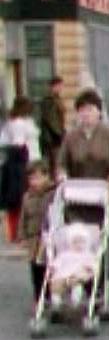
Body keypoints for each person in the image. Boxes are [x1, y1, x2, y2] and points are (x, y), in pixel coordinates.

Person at [58, 89, 109, 299]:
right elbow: (62, 163)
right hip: (80, 198)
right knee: (83, 240)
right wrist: (63, 175)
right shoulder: (71, 137)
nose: (86, 115)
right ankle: (85, 281)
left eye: (90, 110)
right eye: (82, 111)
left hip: (106, 195)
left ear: (99, 112)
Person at [0, 97, 41, 240]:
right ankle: (19, 232)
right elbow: (18, 144)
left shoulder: (25, 121)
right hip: (25, 162)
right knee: (21, 198)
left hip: (32, 158)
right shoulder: (17, 123)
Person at [19, 160, 55, 310]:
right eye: (31, 178)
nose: (34, 182)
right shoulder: (27, 197)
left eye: (38, 177)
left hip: (49, 239)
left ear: (47, 177)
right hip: (34, 239)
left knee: (50, 270)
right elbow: (23, 218)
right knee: (36, 271)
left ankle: (52, 296)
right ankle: (39, 297)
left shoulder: (54, 194)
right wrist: (22, 236)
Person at [39, 77, 66, 177]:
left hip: (56, 136)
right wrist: (59, 134)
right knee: (54, 164)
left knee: (57, 163)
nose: (61, 88)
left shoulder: (56, 98)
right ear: (54, 86)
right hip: (51, 138)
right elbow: (51, 119)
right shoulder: (49, 100)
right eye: (60, 86)